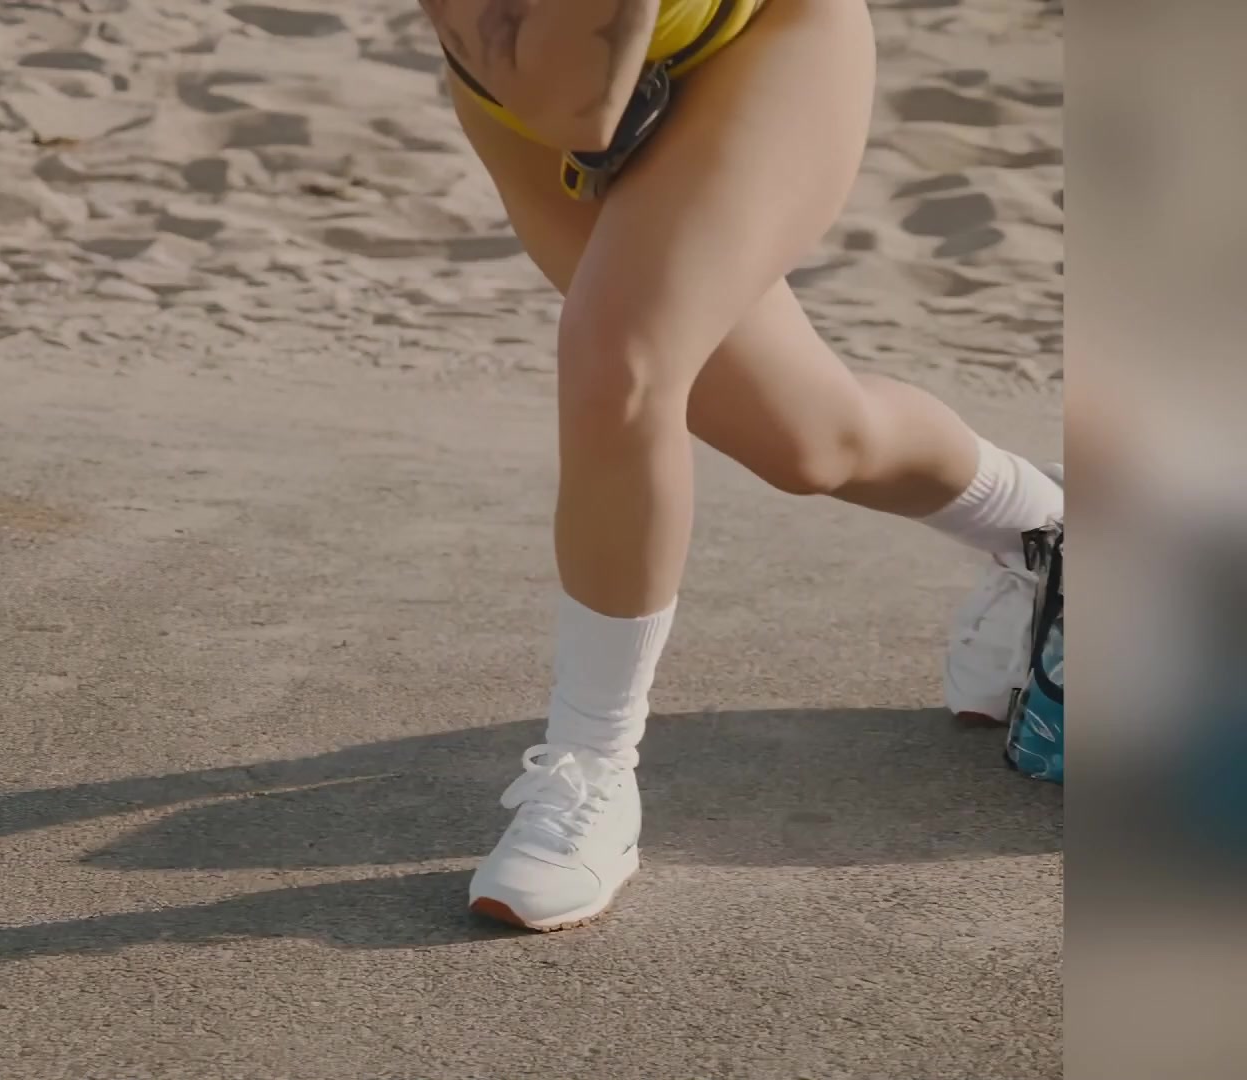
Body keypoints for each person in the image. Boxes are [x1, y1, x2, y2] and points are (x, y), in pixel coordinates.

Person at [417, 0, 1066, 931]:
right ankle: (1042, 523)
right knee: (808, 441)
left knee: (620, 363)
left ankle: (592, 769)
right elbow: (562, 101)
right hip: (518, 99)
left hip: (762, 39)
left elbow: (584, 101)